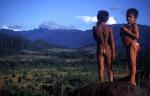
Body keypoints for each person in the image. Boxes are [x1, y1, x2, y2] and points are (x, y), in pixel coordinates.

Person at [93, 10, 115, 82]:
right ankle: (111, 82)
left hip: (100, 49)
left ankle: (101, 84)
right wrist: (113, 52)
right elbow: (112, 41)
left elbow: (95, 38)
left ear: (98, 18)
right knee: (109, 68)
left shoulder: (95, 28)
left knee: (101, 68)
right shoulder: (109, 28)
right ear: (107, 19)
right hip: (108, 49)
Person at [120, 8, 140, 86]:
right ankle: (131, 79)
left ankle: (133, 81)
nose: (128, 18)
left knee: (132, 62)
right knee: (129, 63)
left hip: (132, 45)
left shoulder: (134, 25)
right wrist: (122, 32)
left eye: (130, 16)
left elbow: (137, 36)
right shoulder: (126, 26)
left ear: (135, 18)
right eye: (127, 16)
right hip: (127, 46)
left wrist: (127, 31)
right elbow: (123, 35)